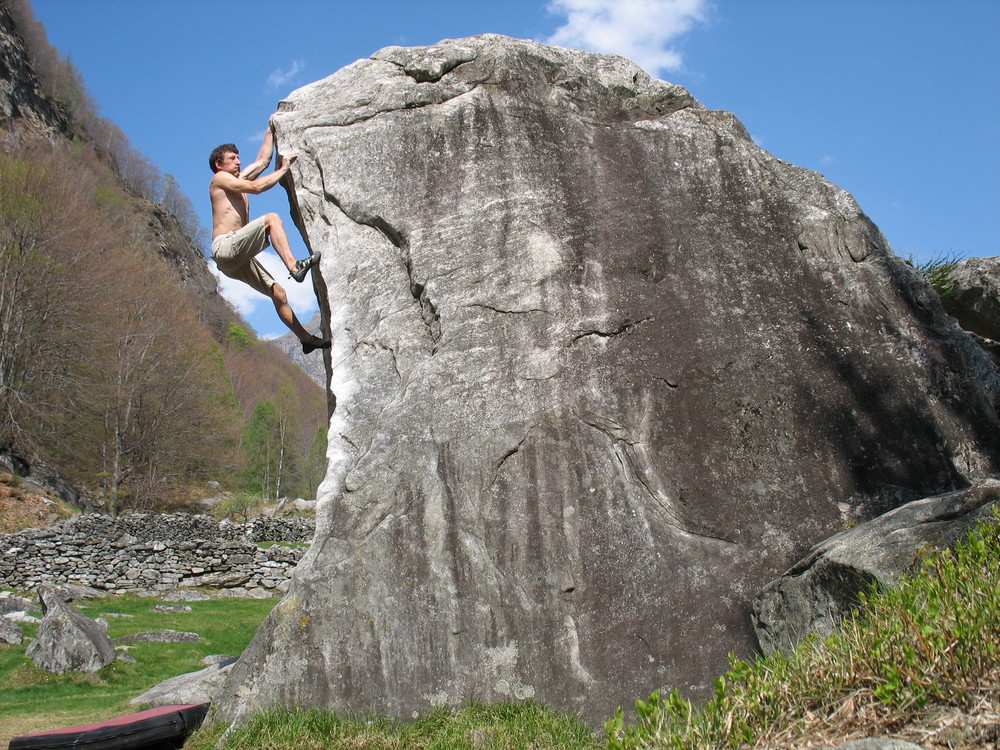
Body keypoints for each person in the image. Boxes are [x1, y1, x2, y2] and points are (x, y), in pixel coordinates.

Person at [209, 120, 329, 354]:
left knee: (278, 293)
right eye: (232, 158)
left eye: (238, 157)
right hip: (225, 246)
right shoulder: (219, 179)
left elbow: (262, 161)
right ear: (218, 164)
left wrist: (270, 129)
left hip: (237, 259)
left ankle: (306, 339)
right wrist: (283, 169)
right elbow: (256, 187)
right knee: (272, 218)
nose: (238, 162)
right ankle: (294, 267)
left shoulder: (237, 181)